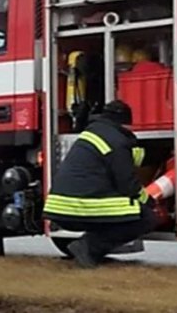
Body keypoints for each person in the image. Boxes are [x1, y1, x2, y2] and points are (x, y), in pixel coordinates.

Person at [43, 100, 155, 268]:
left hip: (60, 209)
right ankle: (87, 248)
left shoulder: (93, 133)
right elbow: (128, 186)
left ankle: (89, 249)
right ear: (124, 122)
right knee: (146, 218)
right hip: (81, 207)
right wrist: (149, 200)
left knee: (119, 213)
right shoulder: (117, 141)